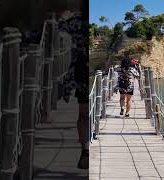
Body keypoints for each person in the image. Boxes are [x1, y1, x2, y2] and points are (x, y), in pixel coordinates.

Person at [58, 11, 88, 170]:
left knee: (84, 114)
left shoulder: (76, 22)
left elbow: (58, 30)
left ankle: (86, 150)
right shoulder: (77, 22)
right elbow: (57, 31)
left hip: (84, 72)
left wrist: (63, 18)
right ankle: (86, 150)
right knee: (84, 114)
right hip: (83, 71)